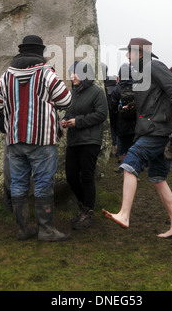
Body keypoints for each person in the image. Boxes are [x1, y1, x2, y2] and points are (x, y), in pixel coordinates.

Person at [102, 37, 172, 238]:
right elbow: (154, 98)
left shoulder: (154, 65)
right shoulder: (142, 71)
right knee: (158, 178)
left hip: (157, 129)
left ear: (140, 53)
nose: (126, 55)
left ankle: (124, 214)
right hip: (155, 127)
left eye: (129, 52)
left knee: (131, 161)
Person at [0, 35, 72, 242]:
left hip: (15, 139)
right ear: (39, 53)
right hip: (42, 140)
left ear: (21, 52)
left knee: (18, 183)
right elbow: (66, 99)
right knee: (43, 182)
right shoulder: (47, 73)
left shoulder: (5, 76)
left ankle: (23, 229)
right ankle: (46, 230)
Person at [62, 61, 108, 229]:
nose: (72, 76)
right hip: (74, 141)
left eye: (76, 73)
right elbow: (69, 111)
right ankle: (84, 206)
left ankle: (88, 212)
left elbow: (102, 114)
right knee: (71, 176)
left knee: (87, 176)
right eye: (72, 73)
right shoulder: (73, 94)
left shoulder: (97, 92)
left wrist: (78, 121)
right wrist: (65, 120)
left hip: (90, 140)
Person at [110, 63, 136, 172]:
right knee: (134, 146)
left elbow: (112, 108)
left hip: (121, 124)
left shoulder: (117, 89)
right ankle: (137, 165)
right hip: (136, 123)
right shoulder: (137, 87)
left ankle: (122, 166)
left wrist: (113, 125)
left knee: (122, 147)